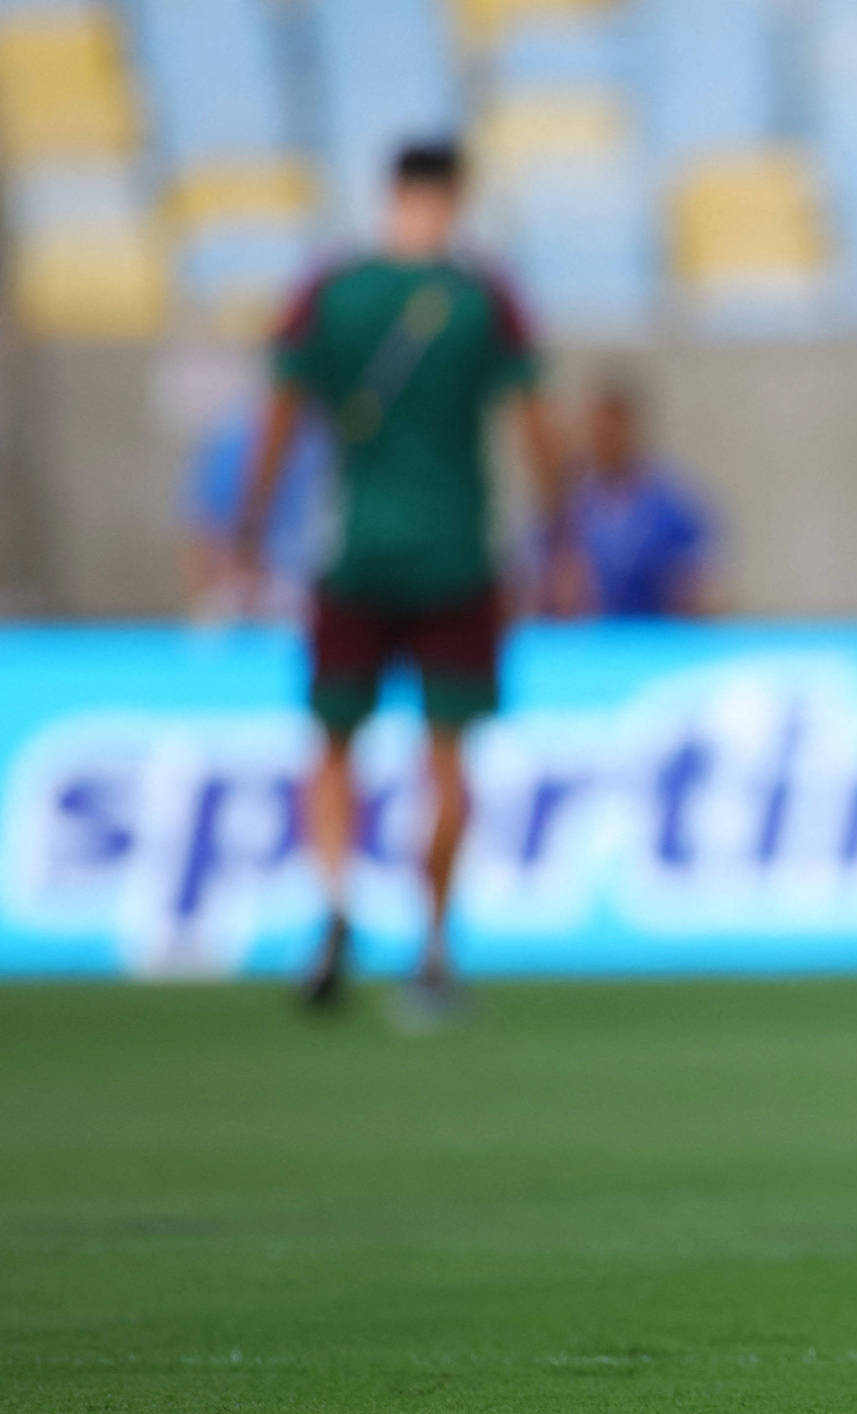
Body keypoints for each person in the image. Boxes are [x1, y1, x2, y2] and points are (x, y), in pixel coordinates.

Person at [231, 140, 569, 1015]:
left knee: (334, 744)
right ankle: (434, 945)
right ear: (455, 197)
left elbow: (278, 416)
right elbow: (536, 426)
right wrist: (562, 535)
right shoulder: (483, 298)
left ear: (389, 194)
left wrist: (249, 524)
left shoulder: (329, 292)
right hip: (457, 551)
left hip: (351, 548)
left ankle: (336, 902)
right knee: (447, 754)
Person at [561, 382, 714, 618]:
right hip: (592, 638)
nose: (603, 440)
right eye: (597, 431)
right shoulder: (575, 503)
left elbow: (696, 579)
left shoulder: (669, 505)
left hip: (652, 637)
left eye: (612, 431)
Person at [183, 400, 331, 622]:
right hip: (241, 588)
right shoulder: (232, 438)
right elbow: (200, 533)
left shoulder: (329, 439)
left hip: (313, 589)